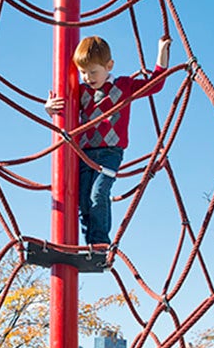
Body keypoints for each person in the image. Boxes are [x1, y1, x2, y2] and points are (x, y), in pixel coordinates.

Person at [46, 35, 171, 246]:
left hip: (110, 153)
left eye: (93, 71)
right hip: (84, 154)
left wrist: (161, 54)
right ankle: (89, 245)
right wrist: (49, 107)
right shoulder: (80, 92)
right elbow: (60, 108)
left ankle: (100, 244)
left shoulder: (123, 86)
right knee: (82, 199)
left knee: (99, 193)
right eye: (83, 72)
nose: (87, 77)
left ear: (109, 65)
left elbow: (154, 85)